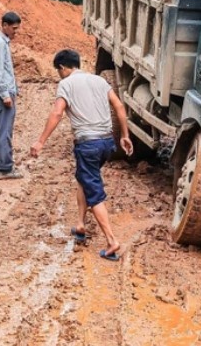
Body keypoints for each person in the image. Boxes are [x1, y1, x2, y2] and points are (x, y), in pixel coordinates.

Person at [30, 49, 134, 261]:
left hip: (88, 145)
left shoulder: (66, 84)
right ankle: (80, 224)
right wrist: (124, 135)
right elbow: (119, 106)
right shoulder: (98, 81)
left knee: (94, 192)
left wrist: (40, 141)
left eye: (58, 71)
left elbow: (57, 113)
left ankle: (112, 241)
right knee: (83, 179)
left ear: (62, 68)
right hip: (107, 143)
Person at [0, 11, 23, 180]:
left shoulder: (0, 42)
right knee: (4, 132)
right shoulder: (0, 44)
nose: (16, 32)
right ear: (5, 25)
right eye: (14, 28)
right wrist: (5, 94)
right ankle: (5, 168)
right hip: (3, 94)